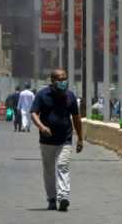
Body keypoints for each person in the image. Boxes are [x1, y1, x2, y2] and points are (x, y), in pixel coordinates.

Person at [30, 69, 83, 212]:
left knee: (62, 165)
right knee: (48, 170)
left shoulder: (70, 96)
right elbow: (34, 113)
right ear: (53, 81)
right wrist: (41, 127)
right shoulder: (42, 95)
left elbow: (76, 118)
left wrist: (80, 139)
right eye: (60, 79)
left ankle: (63, 197)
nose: (63, 82)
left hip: (65, 138)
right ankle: (52, 199)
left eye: (65, 78)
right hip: (46, 140)